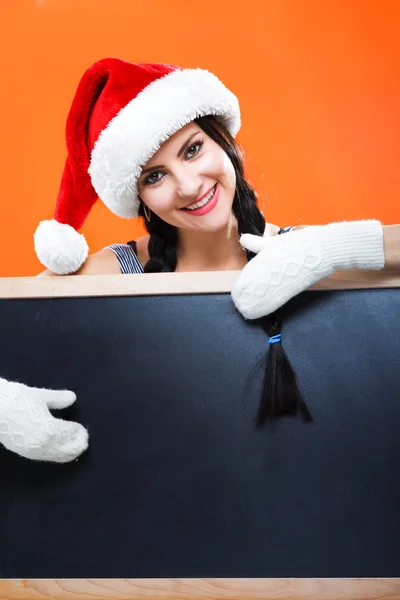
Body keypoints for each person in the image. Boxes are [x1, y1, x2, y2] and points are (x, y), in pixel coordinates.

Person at [1, 57, 395, 462]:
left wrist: (337, 245)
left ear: (225, 141)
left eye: (192, 150)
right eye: (154, 176)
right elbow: (17, 322)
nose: (188, 186)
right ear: (140, 199)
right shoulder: (116, 272)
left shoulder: (308, 256)